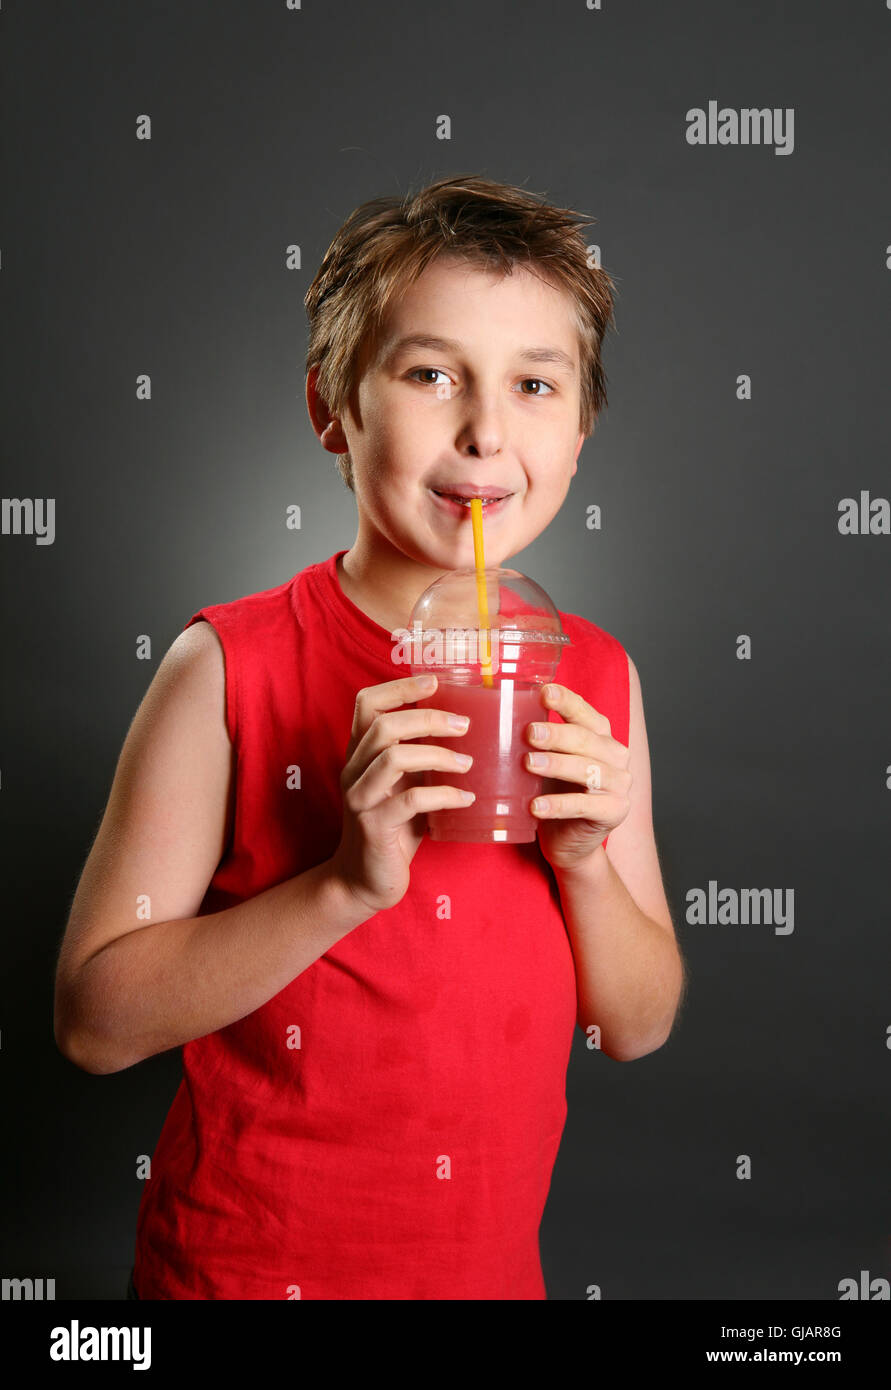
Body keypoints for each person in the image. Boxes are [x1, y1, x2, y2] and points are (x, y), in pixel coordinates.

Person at [54, 174, 687, 1300]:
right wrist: (345, 884)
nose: (487, 428)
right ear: (331, 407)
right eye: (431, 372)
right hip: (241, 1273)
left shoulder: (596, 677)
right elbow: (95, 1023)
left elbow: (637, 1024)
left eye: (536, 384)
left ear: (582, 432)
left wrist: (585, 861)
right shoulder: (227, 669)